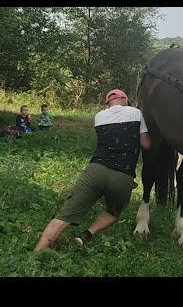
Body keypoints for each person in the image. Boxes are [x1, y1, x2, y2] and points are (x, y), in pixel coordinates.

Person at [34, 89, 151, 251]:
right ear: (125, 100)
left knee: (63, 216)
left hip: (95, 170)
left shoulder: (99, 117)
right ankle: (88, 234)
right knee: (113, 212)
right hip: (123, 176)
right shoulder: (136, 113)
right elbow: (146, 145)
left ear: (107, 103)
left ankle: (36, 254)